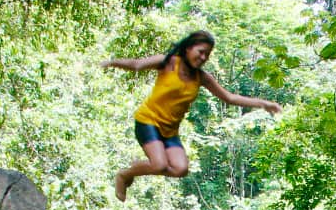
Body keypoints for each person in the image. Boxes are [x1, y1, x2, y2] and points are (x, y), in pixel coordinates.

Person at [101, 30, 281, 200]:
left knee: (181, 169)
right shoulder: (168, 62)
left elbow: (229, 97)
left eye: (206, 55)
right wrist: (112, 62)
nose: (203, 58)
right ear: (188, 48)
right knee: (159, 165)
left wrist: (264, 104)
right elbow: (137, 65)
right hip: (148, 121)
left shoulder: (201, 77)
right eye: (200, 52)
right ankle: (124, 175)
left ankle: (136, 168)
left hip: (170, 131)